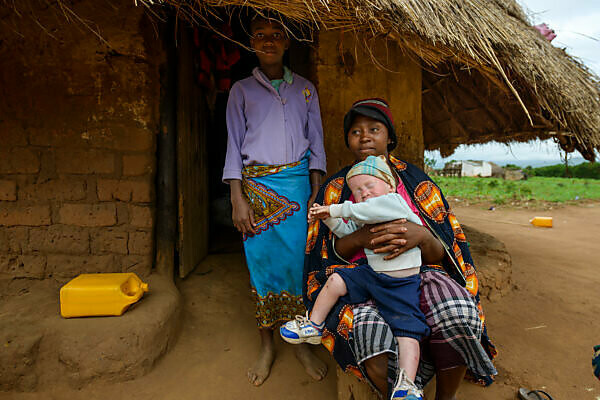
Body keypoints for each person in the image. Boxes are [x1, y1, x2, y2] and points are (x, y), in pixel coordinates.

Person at [303, 98, 497, 399]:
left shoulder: (418, 182)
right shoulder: (335, 188)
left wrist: (421, 236)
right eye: (355, 131)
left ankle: (445, 397)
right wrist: (362, 238)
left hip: (422, 272)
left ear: (389, 136)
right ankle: (398, 391)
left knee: (458, 316)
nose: (364, 136)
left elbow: (444, 252)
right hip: (362, 277)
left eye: (374, 129)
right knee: (368, 335)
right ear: (347, 140)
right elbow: (328, 252)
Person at [222, 14, 327, 386]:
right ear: (251, 42)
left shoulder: (305, 90)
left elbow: (316, 142)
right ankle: (267, 345)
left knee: (300, 264)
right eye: (261, 35)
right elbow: (233, 147)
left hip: (298, 188)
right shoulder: (241, 91)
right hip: (256, 191)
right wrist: (237, 198)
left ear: (287, 43)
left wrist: (316, 187)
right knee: (261, 268)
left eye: (276, 35)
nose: (268, 41)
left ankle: (298, 342)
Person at [281, 155, 428, 400]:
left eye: (370, 186)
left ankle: (408, 384)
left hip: (401, 284)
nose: (365, 194)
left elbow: (364, 209)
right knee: (336, 280)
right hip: (373, 275)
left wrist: (334, 208)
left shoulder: (393, 202)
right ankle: (314, 325)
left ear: (390, 186)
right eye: (358, 192)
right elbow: (347, 230)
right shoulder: (365, 213)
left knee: (407, 332)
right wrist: (326, 218)